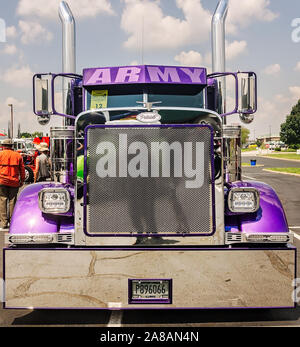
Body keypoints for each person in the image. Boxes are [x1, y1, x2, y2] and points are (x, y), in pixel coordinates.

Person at [0, 138, 25, 230]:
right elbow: (22, 169)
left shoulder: (0, 154)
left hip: (2, 180)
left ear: (3, 146)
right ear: (12, 146)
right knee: (12, 201)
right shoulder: (17, 155)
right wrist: (22, 180)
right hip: (14, 181)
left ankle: (3, 223)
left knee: (2, 201)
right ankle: (13, 221)